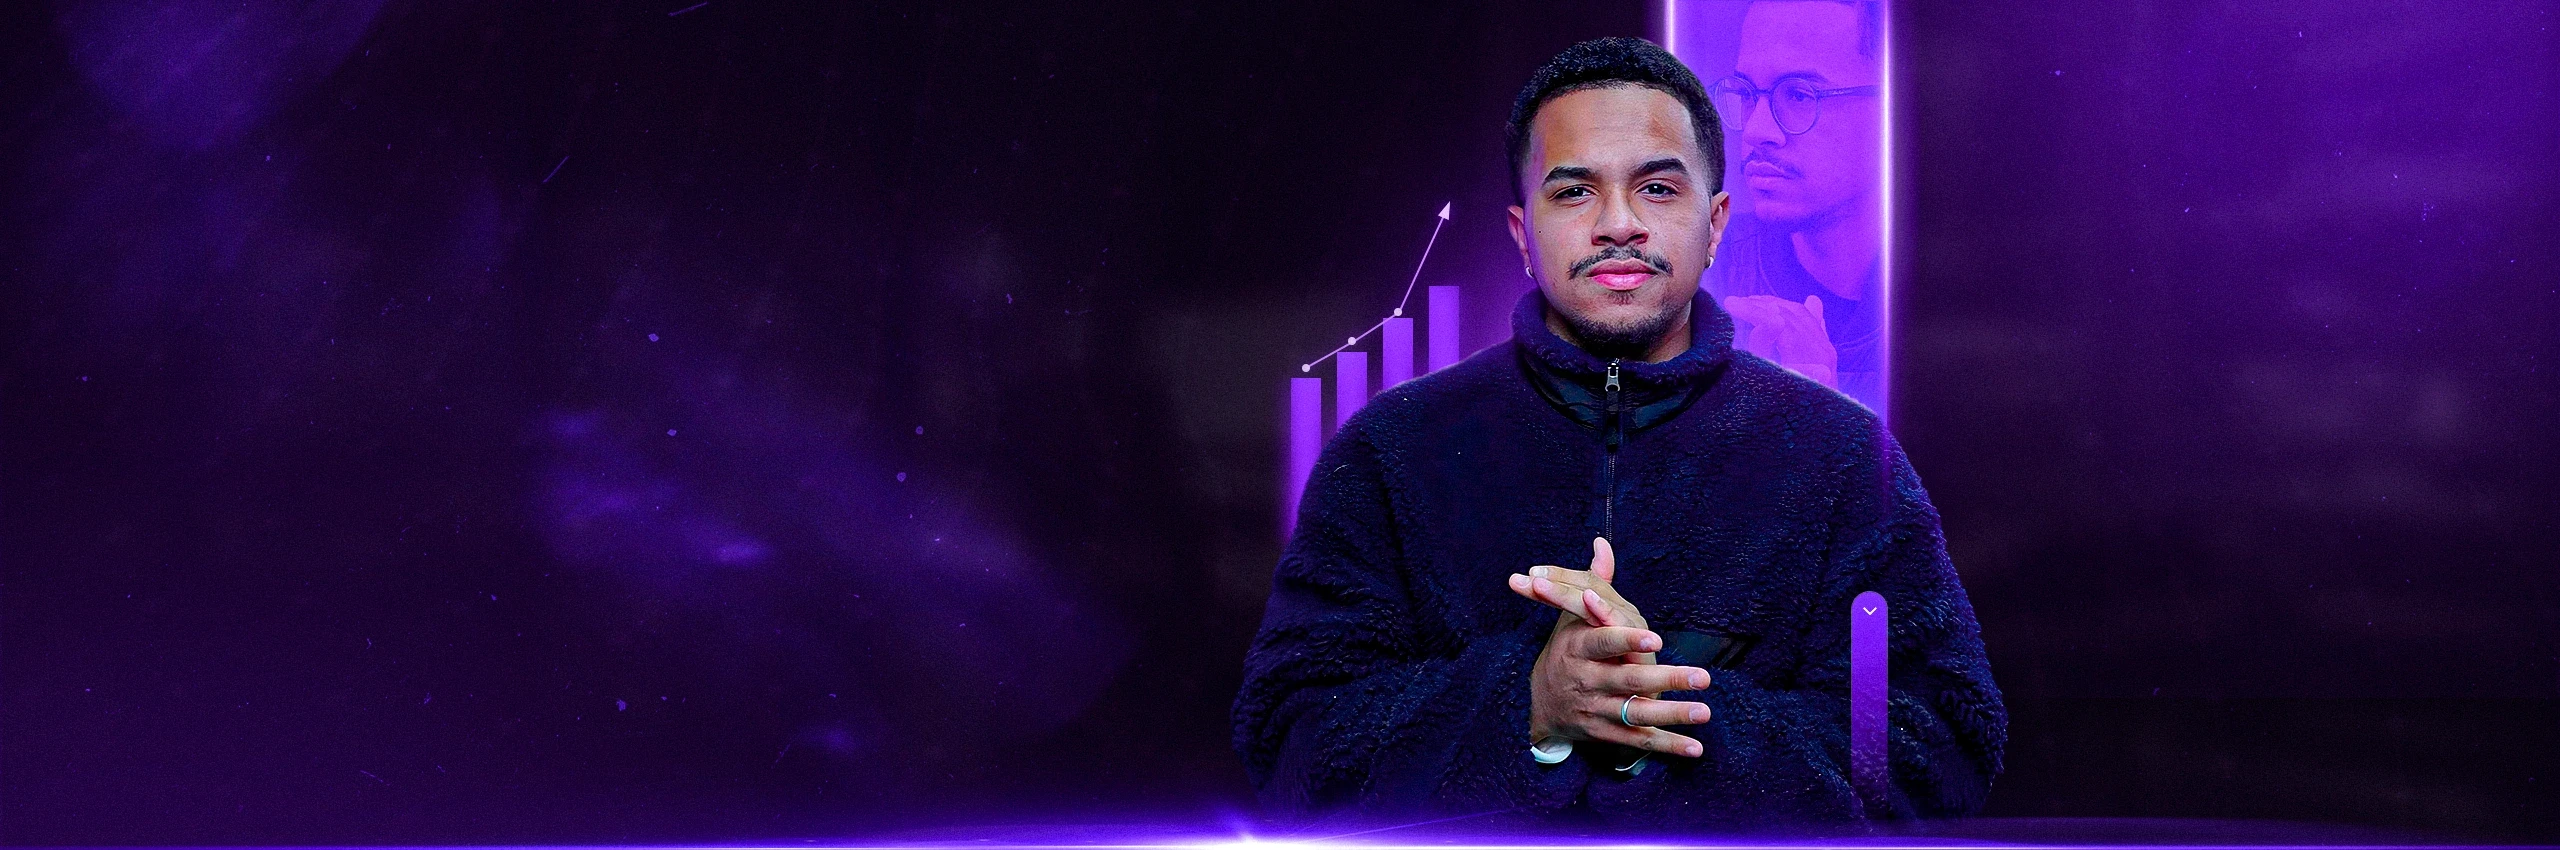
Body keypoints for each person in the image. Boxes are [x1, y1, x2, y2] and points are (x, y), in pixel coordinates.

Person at [1231, 37, 2003, 828]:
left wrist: (1650, 720)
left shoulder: (1842, 458)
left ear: (1716, 223)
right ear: (1521, 234)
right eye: (1574, 192)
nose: (1619, 224)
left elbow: (1941, 747)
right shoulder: (1392, 452)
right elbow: (1291, 744)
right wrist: (1530, 702)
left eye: (1658, 188)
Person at [1705, 0, 1888, 412]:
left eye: (1800, 95)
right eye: (1746, 93)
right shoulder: (1702, 275)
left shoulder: (1957, 312)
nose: (1755, 131)